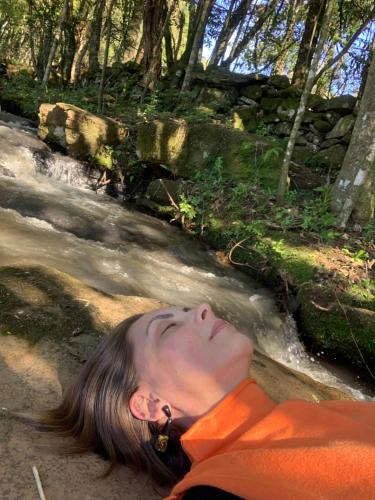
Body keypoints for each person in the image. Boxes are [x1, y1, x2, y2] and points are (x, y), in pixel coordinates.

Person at [37, 303, 375, 499]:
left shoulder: (323, 413)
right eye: (167, 330)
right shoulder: (221, 487)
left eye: (184, 311)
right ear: (151, 405)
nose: (202, 308)